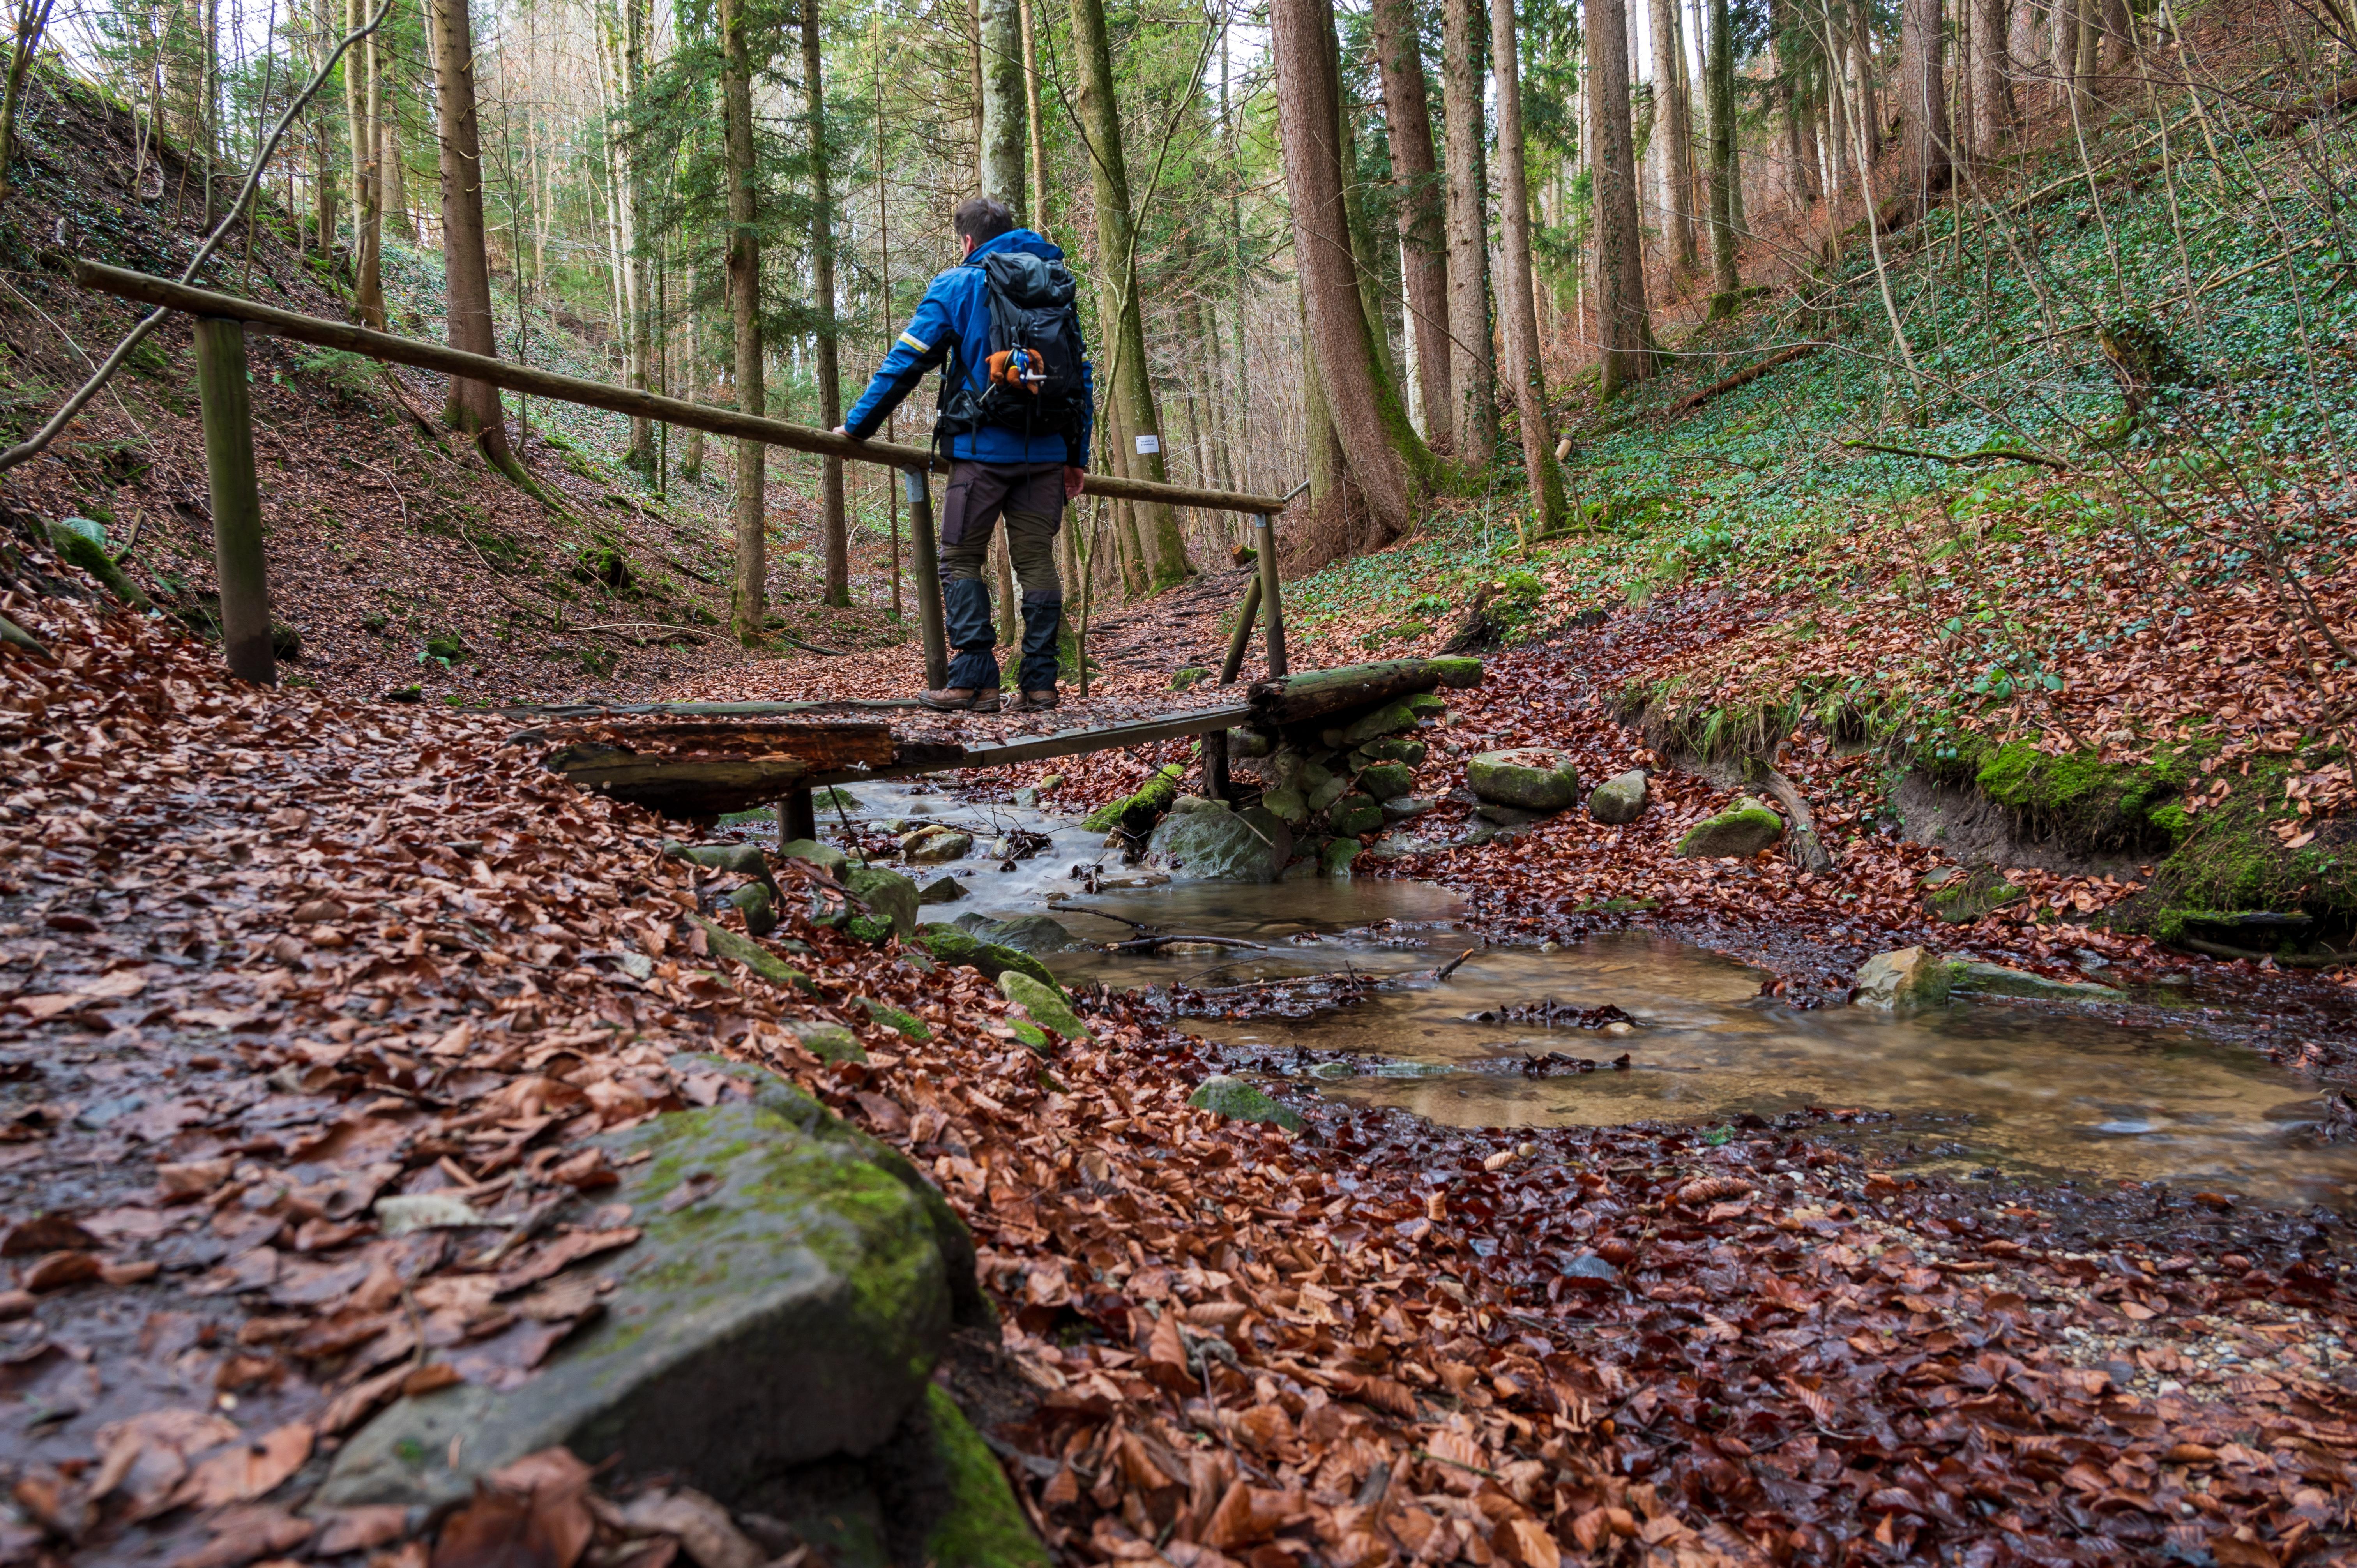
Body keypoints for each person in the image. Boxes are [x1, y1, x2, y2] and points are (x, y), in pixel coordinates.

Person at [836, 195, 1092, 713]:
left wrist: (858, 427)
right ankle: (1041, 685)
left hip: (980, 452)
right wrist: (1076, 456)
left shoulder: (957, 284)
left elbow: (907, 361)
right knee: (1036, 560)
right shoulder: (1056, 286)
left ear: (968, 241)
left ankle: (976, 681)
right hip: (1046, 453)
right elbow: (1079, 375)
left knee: (960, 558)